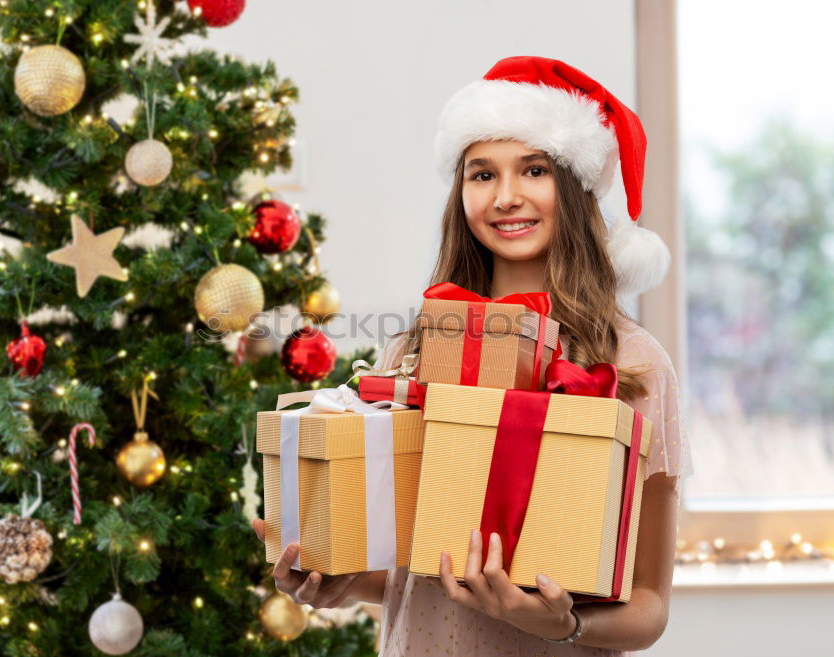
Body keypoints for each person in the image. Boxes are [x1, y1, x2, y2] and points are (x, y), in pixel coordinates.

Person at [253, 55, 694, 656]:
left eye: (533, 170)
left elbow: (650, 607)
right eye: (482, 174)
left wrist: (563, 623)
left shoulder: (632, 363)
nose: (506, 197)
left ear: (574, 185)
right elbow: (418, 570)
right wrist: (344, 582)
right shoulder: (411, 350)